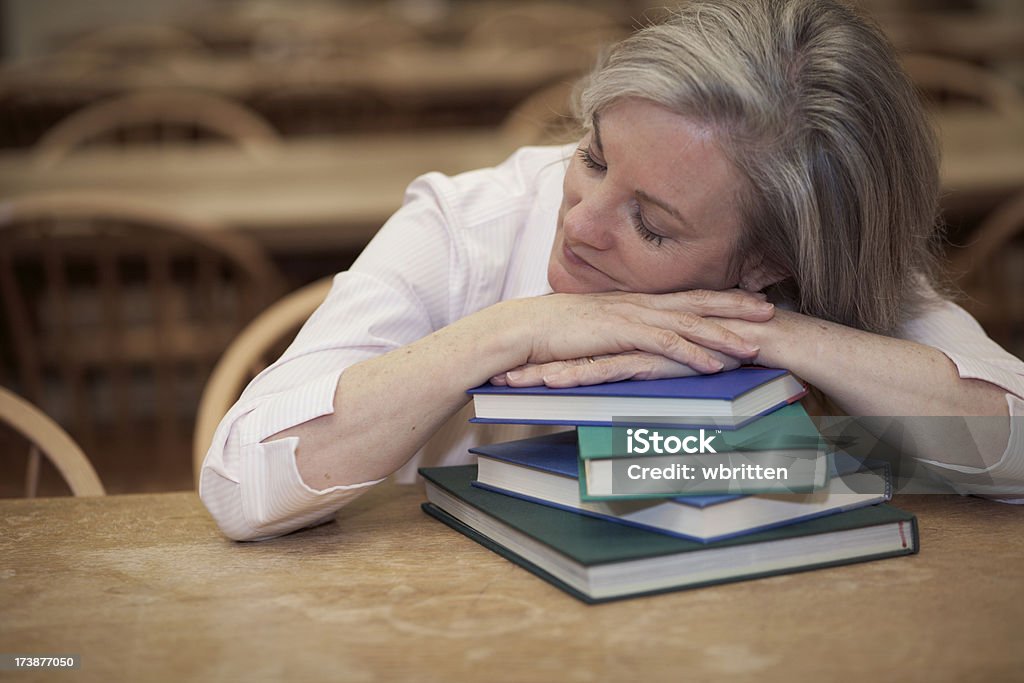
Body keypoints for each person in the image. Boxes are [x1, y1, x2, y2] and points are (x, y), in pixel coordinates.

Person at [200, 0, 1024, 541]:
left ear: (770, 260)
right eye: (592, 159)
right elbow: (242, 484)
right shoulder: (473, 222)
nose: (581, 223)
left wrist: (779, 334)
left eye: (652, 225)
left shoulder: (815, 251)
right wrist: (511, 328)